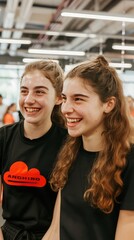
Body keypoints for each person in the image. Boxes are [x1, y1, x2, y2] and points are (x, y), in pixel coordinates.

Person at [46, 55, 134, 240]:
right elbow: (56, 230)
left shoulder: (129, 159)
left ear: (108, 104)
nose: (65, 109)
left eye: (78, 99)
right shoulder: (70, 151)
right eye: (64, 98)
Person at [0, 60, 67, 239]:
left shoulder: (68, 142)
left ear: (59, 98)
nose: (29, 99)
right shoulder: (4, 137)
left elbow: (64, 211)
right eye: (24, 91)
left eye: (39, 92)